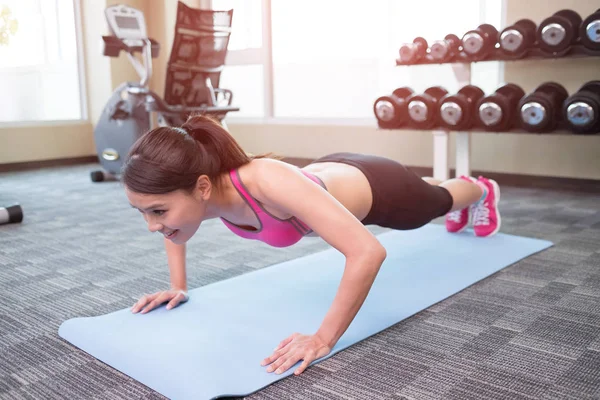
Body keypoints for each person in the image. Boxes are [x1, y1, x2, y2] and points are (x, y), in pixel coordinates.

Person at [125, 115, 500, 376]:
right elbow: (172, 229)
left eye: (158, 210)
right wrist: (178, 285)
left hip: (379, 188)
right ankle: (427, 183)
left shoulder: (264, 183)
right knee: (426, 191)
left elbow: (368, 252)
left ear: (202, 188)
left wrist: (323, 338)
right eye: (142, 212)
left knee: (434, 203)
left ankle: (481, 188)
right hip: (334, 173)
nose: (151, 226)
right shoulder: (200, 191)